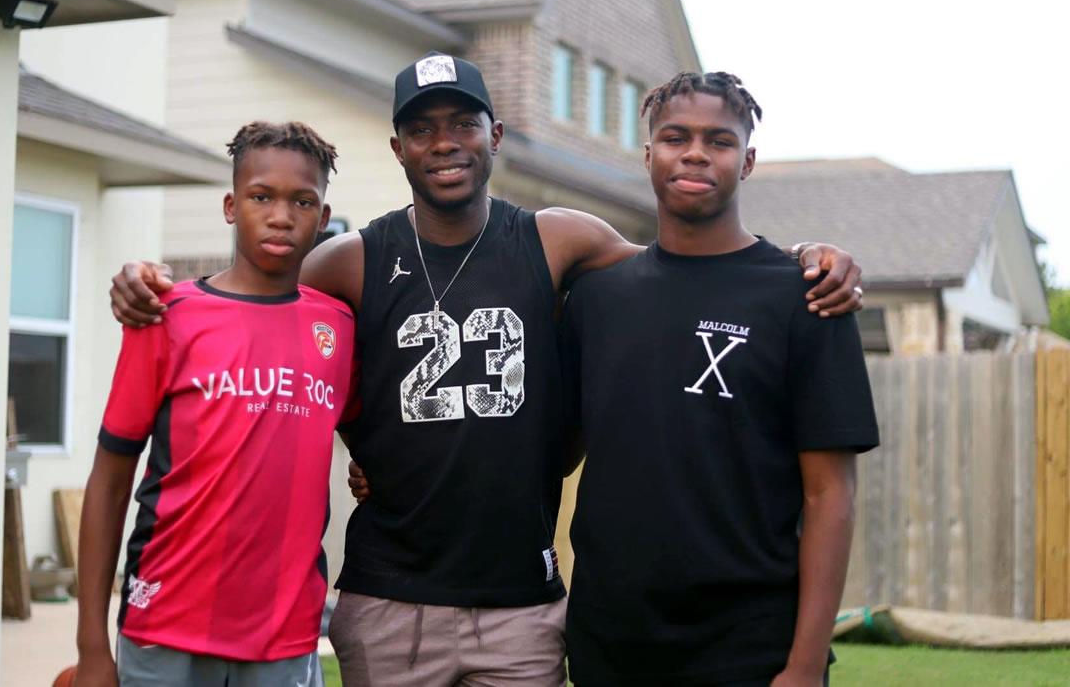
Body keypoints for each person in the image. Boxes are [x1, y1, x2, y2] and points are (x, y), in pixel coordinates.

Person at [108, 54, 865, 687]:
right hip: (388, 593)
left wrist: (807, 257)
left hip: (520, 601)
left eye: (463, 123)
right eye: (422, 128)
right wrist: (153, 286)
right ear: (398, 146)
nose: (445, 143)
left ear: (494, 135)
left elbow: (689, 273)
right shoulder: (349, 262)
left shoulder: (563, 241)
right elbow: (257, 313)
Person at [559, 72, 880, 687]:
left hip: (749, 646)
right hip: (611, 640)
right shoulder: (596, 298)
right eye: (676, 137)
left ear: (749, 160)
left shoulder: (808, 298)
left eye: (720, 140)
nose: (697, 153)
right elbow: (553, 452)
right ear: (649, 153)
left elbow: (830, 497)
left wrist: (806, 664)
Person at [76, 122, 356, 687]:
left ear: (323, 218)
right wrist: (90, 647)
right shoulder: (166, 316)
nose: (281, 216)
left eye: (303, 201)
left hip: (285, 637)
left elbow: (368, 434)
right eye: (261, 197)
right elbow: (109, 482)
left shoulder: (339, 327)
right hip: (164, 628)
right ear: (231, 206)